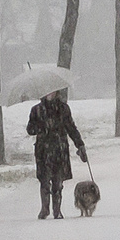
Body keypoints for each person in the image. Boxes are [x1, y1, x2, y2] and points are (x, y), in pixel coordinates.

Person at [27, 90, 87, 219]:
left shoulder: (63, 109)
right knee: (44, 180)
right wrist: (41, 127)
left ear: (57, 93)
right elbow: (30, 129)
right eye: (47, 92)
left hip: (60, 149)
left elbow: (71, 128)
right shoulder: (36, 110)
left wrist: (80, 144)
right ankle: (44, 209)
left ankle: (57, 210)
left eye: (53, 92)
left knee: (58, 182)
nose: (50, 94)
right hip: (43, 151)